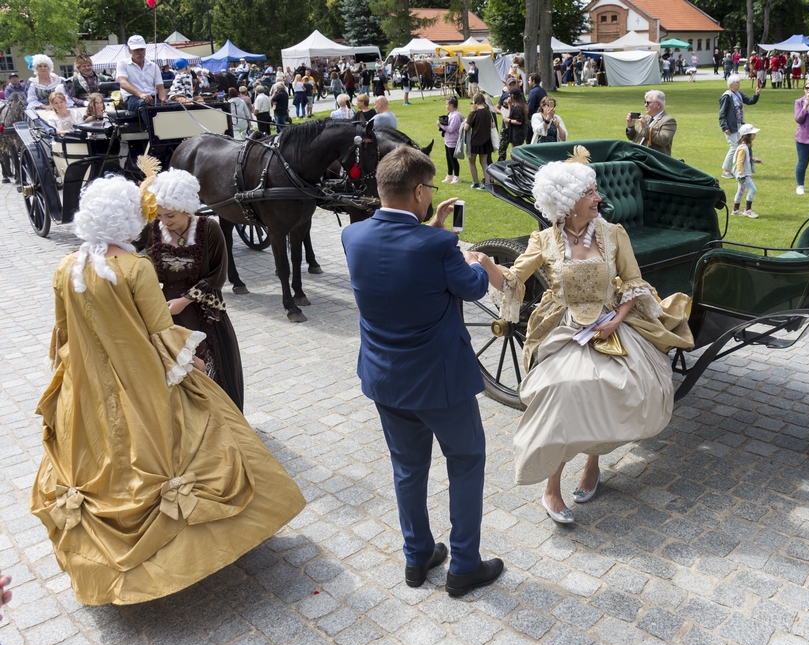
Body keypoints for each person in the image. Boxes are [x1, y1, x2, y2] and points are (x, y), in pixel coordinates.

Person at [29, 175, 305, 606]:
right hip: (143, 383)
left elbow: (63, 334)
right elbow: (161, 331)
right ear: (128, 220)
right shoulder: (136, 268)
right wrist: (192, 363)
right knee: (200, 436)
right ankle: (190, 553)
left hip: (86, 387)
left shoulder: (67, 268)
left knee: (99, 452)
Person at [468, 148, 693, 523]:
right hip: (563, 329)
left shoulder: (613, 234)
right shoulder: (544, 240)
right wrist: (488, 264)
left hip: (612, 324)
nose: (598, 198)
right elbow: (512, 281)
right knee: (565, 392)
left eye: (595, 191)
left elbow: (633, 282)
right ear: (568, 202)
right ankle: (551, 486)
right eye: (590, 193)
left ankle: (592, 464)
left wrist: (617, 319)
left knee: (613, 388)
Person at [341, 146, 505, 597]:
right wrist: (474, 261)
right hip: (440, 380)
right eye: (430, 188)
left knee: (408, 469)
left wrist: (429, 231)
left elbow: (399, 265)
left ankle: (417, 556)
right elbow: (471, 288)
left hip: (385, 377)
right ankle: (464, 565)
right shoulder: (439, 246)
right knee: (466, 462)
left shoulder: (353, 236)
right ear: (418, 191)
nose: (431, 195)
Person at [134, 166, 245, 410]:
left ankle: (221, 417)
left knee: (210, 362)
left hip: (202, 308)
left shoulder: (209, 229)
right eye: (160, 216)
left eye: (171, 215)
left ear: (185, 208)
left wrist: (185, 300)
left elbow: (217, 275)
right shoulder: (155, 230)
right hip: (165, 311)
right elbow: (141, 265)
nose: (165, 221)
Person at [719, 75, 760, 178]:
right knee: (734, 147)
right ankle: (726, 171)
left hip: (738, 125)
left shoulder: (738, 93)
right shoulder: (726, 96)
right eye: (737, 82)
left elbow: (750, 101)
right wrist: (725, 127)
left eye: (739, 82)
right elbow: (722, 113)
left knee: (740, 146)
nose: (739, 84)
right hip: (730, 126)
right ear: (731, 84)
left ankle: (740, 168)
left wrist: (756, 94)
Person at [117, 35, 167, 115]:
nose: (140, 52)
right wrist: (141, 94)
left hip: (152, 98)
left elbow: (160, 88)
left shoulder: (154, 66)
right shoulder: (122, 64)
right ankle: (153, 123)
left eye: (142, 49)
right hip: (132, 98)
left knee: (173, 106)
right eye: (136, 50)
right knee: (144, 104)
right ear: (129, 50)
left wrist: (163, 99)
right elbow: (123, 83)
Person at [626, 89, 677, 156]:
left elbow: (663, 140)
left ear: (658, 105)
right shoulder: (646, 118)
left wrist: (646, 127)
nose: (645, 105)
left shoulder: (668, 120)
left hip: (653, 159)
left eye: (648, 103)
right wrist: (630, 126)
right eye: (645, 102)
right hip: (636, 155)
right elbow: (632, 137)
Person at [463, 92, 495, 190]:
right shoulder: (488, 111)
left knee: (471, 162)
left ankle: (476, 183)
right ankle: (487, 183)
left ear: (475, 100)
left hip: (475, 141)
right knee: (484, 162)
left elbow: (466, 128)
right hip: (486, 140)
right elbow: (492, 125)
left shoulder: (473, 113)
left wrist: (465, 121)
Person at [732, 124, 762, 217]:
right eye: (753, 133)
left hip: (742, 174)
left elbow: (747, 159)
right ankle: (748, 210)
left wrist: (755, 160)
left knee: (741, 190)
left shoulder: (746, 146)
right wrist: (742, 176)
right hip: (743, 174)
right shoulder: (743, 148)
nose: (755, 135)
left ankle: (735, 209)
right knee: (753, 189)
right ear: (747, 135)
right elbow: (739, 162)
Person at [439, 96, 464, 183]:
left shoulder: (455, 116)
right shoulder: (451, 114)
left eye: (447, 104)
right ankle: (449, 175)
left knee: (453, 159)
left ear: (451, 105)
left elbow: (451, 129)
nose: (446, 106)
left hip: (453, 141)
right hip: (448, 140)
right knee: (448, 158)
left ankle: (456, 176)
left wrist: (441, 125)